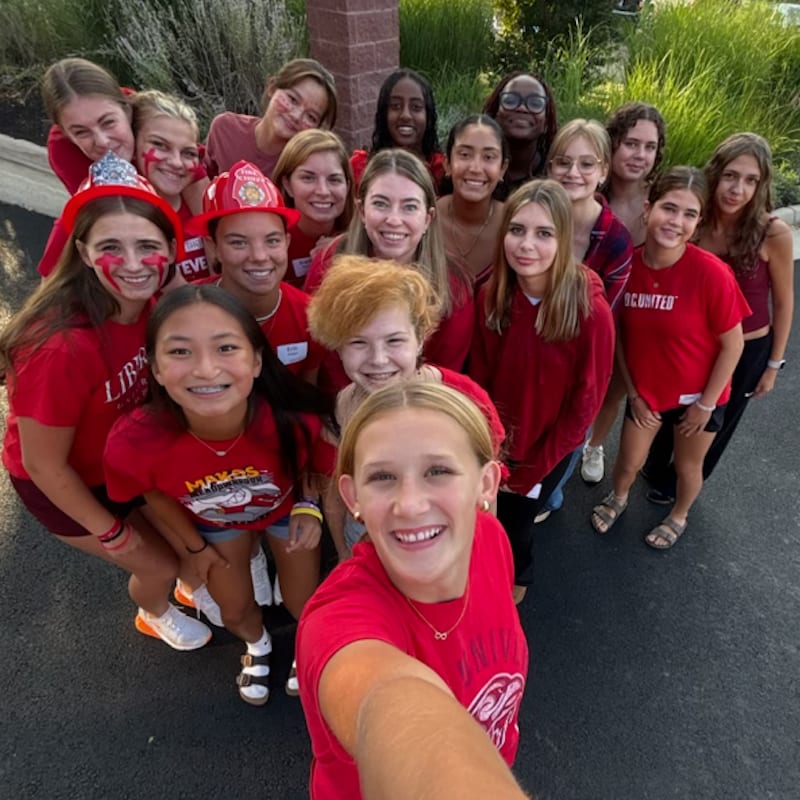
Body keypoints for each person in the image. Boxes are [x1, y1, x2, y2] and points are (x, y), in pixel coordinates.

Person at [0, 151, 211, 651]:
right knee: (155, 563)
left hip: (123, 461)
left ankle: (181, 584)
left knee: (184, 545)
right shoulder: (61, 347)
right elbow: (44, 465)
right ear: (84, 252)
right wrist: (113, 534)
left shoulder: (152, 305)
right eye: (112, 246)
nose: (134, 264)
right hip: (65, 481)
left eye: (148, 246)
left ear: (171, 248)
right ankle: (153, 611)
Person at [297, 381, 529, 800]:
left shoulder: (490, 539)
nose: (410, 504)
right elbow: (384, 702)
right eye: (382, 477)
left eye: (438, 471)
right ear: (353, 497)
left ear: (486, 483)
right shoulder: (337, 622)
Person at [104, 285, 333, 704]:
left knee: (304, 600)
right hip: (213, 524)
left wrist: (308, 505)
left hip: (285, 511)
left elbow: (314, 465)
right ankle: (258, 645)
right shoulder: (134, 441)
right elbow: (152, 492)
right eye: (180, 352)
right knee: (234, 609)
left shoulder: (295, 419)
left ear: (257, 360)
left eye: (226, 348)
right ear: (155, 368)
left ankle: (306, 644)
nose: (206, 370)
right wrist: (193, 548)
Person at [470, 179, 614, 601]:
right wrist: (486, 448)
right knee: (481, 524)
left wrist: (533, 470)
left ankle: (508, 604)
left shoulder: (590, 311)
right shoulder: (491, 296)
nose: (527, 245)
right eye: (517, 230)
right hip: (492, 443)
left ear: (564, 239)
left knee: (516, 534)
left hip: (541, 452)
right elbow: (479, 379)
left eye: (544, 233)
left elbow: (584, 408)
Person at [590, 167, 750, 549]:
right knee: (628, 462)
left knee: (687, 466)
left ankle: (679, 514)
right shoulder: (629, 266)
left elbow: (734, 346)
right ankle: (619, 498)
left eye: (689, 214)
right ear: (648, 208)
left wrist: (705, 404)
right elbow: (621, 338)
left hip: (699, 397)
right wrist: (634, 394)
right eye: (669, 208)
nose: (676, 221)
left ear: (698, 222)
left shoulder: (711, 273)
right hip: (647, 394)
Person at [307, 255, 506, 559]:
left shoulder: (462, 400)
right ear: (338, 346)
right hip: (367, 538)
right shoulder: (342, 407)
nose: (378, 359)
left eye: (394, 341)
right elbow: (334, 488)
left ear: (420, 339)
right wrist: (344, 554)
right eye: (358, 343)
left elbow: (486, 488)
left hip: (443, 540)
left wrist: (483, 556)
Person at [643, 133, 794, 503]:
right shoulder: (695, 220)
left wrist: (773, 365)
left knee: (715, 421)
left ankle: (681, 485)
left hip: (747, 348)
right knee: (676, 408)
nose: (737, 189)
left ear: (761, 185)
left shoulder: (772, 233)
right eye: (730, 176)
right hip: (694, 342)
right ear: (715, 173)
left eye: (750, 180)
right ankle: (655, 465)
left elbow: (784, 302)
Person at [304, 149, 474, 385]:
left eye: (409, 207)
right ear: (362, 211)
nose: (394, 219)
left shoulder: (453, 285)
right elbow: (319, 354)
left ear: (428, 218)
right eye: (381, 204)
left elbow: (444, 374)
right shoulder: (328, 265)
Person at [542, 119, 632, 511]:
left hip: (578, 363)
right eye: (563, 162)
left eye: (586, 164)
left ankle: (552, 492)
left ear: (603, 171)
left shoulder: (615, 239)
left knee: (565, 442)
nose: (573, 173)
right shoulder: (536, 216)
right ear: (550, 167)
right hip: (528, 354)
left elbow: (602, 323)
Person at [580, 102, 666, 484]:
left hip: (638, 313)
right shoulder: (589, 189)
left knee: (614, 387)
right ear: (612, 143)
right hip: (591, 308)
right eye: (631, 144)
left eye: (650, 147)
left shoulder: (659, 198)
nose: (640, 155)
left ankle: (595, 443)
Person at [188, 161, 325, 384]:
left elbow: (307, 393)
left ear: (287, 242)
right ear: (214, 248)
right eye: (239, 242)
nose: (260, 256)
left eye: (272, 241)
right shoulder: (184, 311)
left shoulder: (311, 317)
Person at [204, 58, 337, 179]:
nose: (296, 116)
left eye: (311, 117)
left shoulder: (307, 167)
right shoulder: (225, 129)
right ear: (272, 88)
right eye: (292, 99)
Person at [131, 90, 211, 282]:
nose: (176, 162)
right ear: (133, 145)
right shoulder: (114, 214)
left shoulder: (203, 206)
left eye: (188, 153)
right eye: (160, 145)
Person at [272, 129, 355, 288]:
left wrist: (346, 251)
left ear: (348, 186)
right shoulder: (269, 241)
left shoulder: (364, 237)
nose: (323, 191)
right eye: (308, 178)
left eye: (334, 180)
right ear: (287, 185)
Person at [41, 57, 135, 195]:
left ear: (128, 110)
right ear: (68, 136)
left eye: (108, 122)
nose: (102, 142)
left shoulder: (157, 121)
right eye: (81, 132)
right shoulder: (65, 153)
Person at [437, 114, 509, 286]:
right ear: (447, 164)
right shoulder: (425, 219)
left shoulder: (515, 224)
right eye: (465, 154)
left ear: (502, 169)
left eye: (489, 157)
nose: (476, 168)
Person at [349, 69, 445, 191]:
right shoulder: (359, 167)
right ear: (384, 113)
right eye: (395, 106)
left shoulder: (442, 170)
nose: (405, 115)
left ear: (428, 116)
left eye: (416, 107)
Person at [483, 71, 558, 199]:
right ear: (495, 114)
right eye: (510, 100)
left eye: (535, 103)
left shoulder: (557, 175)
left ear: (546, 123)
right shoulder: (473, 167)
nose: (522, 108)